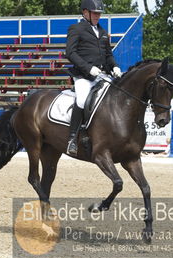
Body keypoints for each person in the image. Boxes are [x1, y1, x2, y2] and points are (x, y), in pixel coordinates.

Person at [65, 0, 121, 156]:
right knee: (82, 99)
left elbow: (108, 55)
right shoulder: (76, 29)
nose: (97, 16)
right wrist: (88, 68)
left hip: (101, 75)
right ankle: (72, 139)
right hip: (83, 76)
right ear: (85, 12)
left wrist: (114, 67)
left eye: (99, 13)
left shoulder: (103, 32)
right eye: (95, 13)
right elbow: (70, 53)